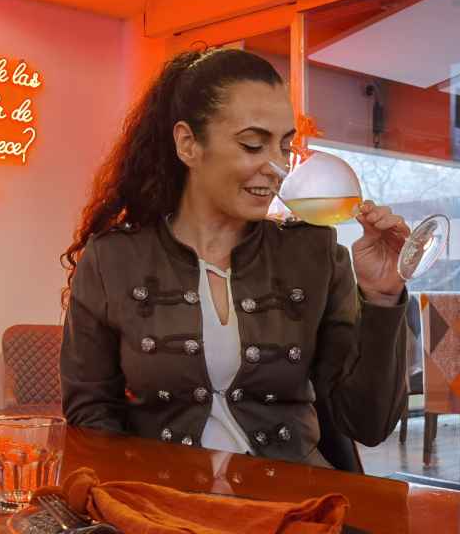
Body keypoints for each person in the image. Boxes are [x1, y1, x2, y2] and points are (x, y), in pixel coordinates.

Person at [60, 48, 409, 471]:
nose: (277, 167)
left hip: (297, 505)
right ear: (188, 144)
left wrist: (382, 299)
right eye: (252, 144)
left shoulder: (314, 255)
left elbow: (369, 425)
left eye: (284, 146)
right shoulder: (112, 259)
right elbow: (91, 415)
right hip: (164, 506)